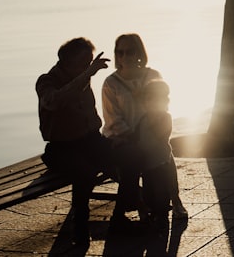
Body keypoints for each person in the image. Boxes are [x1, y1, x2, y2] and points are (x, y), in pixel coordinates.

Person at [36, 37, 113, 246]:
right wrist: (87, 74)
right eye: (84, 62)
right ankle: (80, 225)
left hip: (88, 140)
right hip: (61, 148)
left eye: (89, 62)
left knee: (123, 155)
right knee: (84, 171)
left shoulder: (81, 77)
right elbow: (54, 101)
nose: (88, 67)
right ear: (68, 62)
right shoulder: (46, 81)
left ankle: (136, 206)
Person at [101, 33, 166, 230]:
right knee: (134, 157)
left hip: (150, 135)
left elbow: (161, 106)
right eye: (120, 52)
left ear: (139, 53)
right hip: (121, 139)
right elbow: (113, 119)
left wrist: (153, 135)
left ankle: (154, 207)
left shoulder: (152, 76)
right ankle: (130, 208)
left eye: (130, 51)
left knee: (157, 156)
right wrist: (134, 137)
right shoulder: (111, 83)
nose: (125, 56)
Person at [137, 79, 187, 231]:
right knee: (149, 192)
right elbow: (139, 139)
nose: (150, 103)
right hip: (147, 164)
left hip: (161, 162)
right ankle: (152, 213)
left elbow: (160, 137)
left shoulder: (165, 117)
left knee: (161, 192)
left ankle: (162, 219)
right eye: (147, 99)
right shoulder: (142, 119)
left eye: (155, 99)